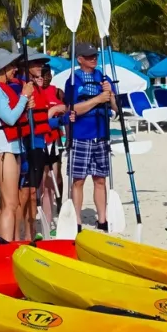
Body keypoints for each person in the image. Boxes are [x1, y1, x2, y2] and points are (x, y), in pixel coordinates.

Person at [0, 51, 33, 241]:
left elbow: (13, 113)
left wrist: (24, 103)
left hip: (12, 147)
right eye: (11, 66)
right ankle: (6, 245)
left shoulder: (1, 89)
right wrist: (25, 97)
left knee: (9, 202)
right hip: (3, 148)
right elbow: (10, 118)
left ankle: (9, 241)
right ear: (0, 68)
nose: (15, 69)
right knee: (11, 203)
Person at [63, 43, 116, 230]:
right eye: (89, 56)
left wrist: (109, 94)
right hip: (81, 136)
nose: (94, 59)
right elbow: (72, 109)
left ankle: (102, 220)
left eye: (95, 55)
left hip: (101, 135)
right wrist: (98, 99)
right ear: (80, 59)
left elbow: (116, 108)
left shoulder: (103, 77)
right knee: (78, 180)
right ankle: (76, 221)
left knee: (100, 179)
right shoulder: (73, 80)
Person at [19, 55, 63, 236]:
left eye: (45, 70)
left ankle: (44, 225)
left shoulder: (55, 91)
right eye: (38, 67)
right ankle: (24, 232)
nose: (44, 75)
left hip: (49, 143)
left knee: (49, 185)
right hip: (30, 143)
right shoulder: (24, 88)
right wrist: (52, 113)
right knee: (30, 190)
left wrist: (63, 116)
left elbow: (60, 111)